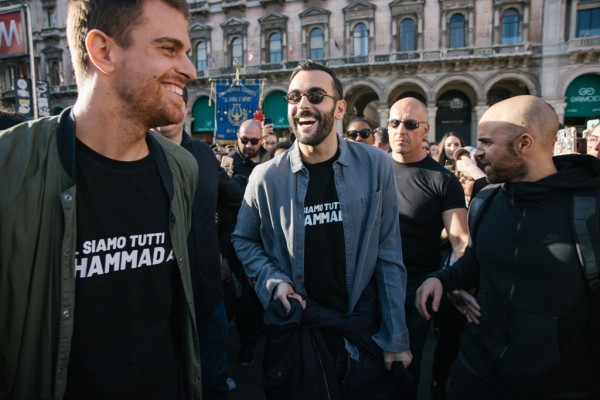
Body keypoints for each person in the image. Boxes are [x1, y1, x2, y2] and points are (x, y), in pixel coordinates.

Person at [0, 1, 201, 399]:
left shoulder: (182, 168)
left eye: (187, 52)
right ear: (103, 52)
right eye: (168, 48)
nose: (191, 70)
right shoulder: (9, 168)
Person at [232, 60, 412, 398]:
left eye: (316, 95)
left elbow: (388, 255)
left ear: (340, 107)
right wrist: (273, 282)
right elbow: (243, 240)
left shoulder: (376, 166)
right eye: (294, 96)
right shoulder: (265, 178)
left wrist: (396, 337)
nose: (303, 104)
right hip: (298, 334)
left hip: (360, 333)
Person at [416, 95, 600, 399]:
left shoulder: (588, 212)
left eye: (487, 143)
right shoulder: (486, 201)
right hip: (474, 377)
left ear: (525, 143)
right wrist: (443, 279)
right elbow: (478, 260)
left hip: (559, 388)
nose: (478, 154)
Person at [157, 87, 244, 398]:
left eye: (174, 96)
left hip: (206, 290)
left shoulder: (204, 155)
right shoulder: (134, 156)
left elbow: (233, 199)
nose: (166, 103)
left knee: (213, 379)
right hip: (159, 302)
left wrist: (221, 247)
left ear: (185, 107)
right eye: (157, 93)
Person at [387, 97, 469, 399]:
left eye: (410, 124)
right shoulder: (372, 170)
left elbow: (460, 240)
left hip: (416, 291)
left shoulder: (443, 180)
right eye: (394, 123)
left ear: (425, 129)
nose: (400, 130)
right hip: (369, 286)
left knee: (406, 374)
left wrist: (454, 280)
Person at [228, 119, 268, 187]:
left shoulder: (269, 159)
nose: (248, 145)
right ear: (238, 137)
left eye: (254, 141)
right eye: (244, 140)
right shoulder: (229, 161)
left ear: (261, 140)